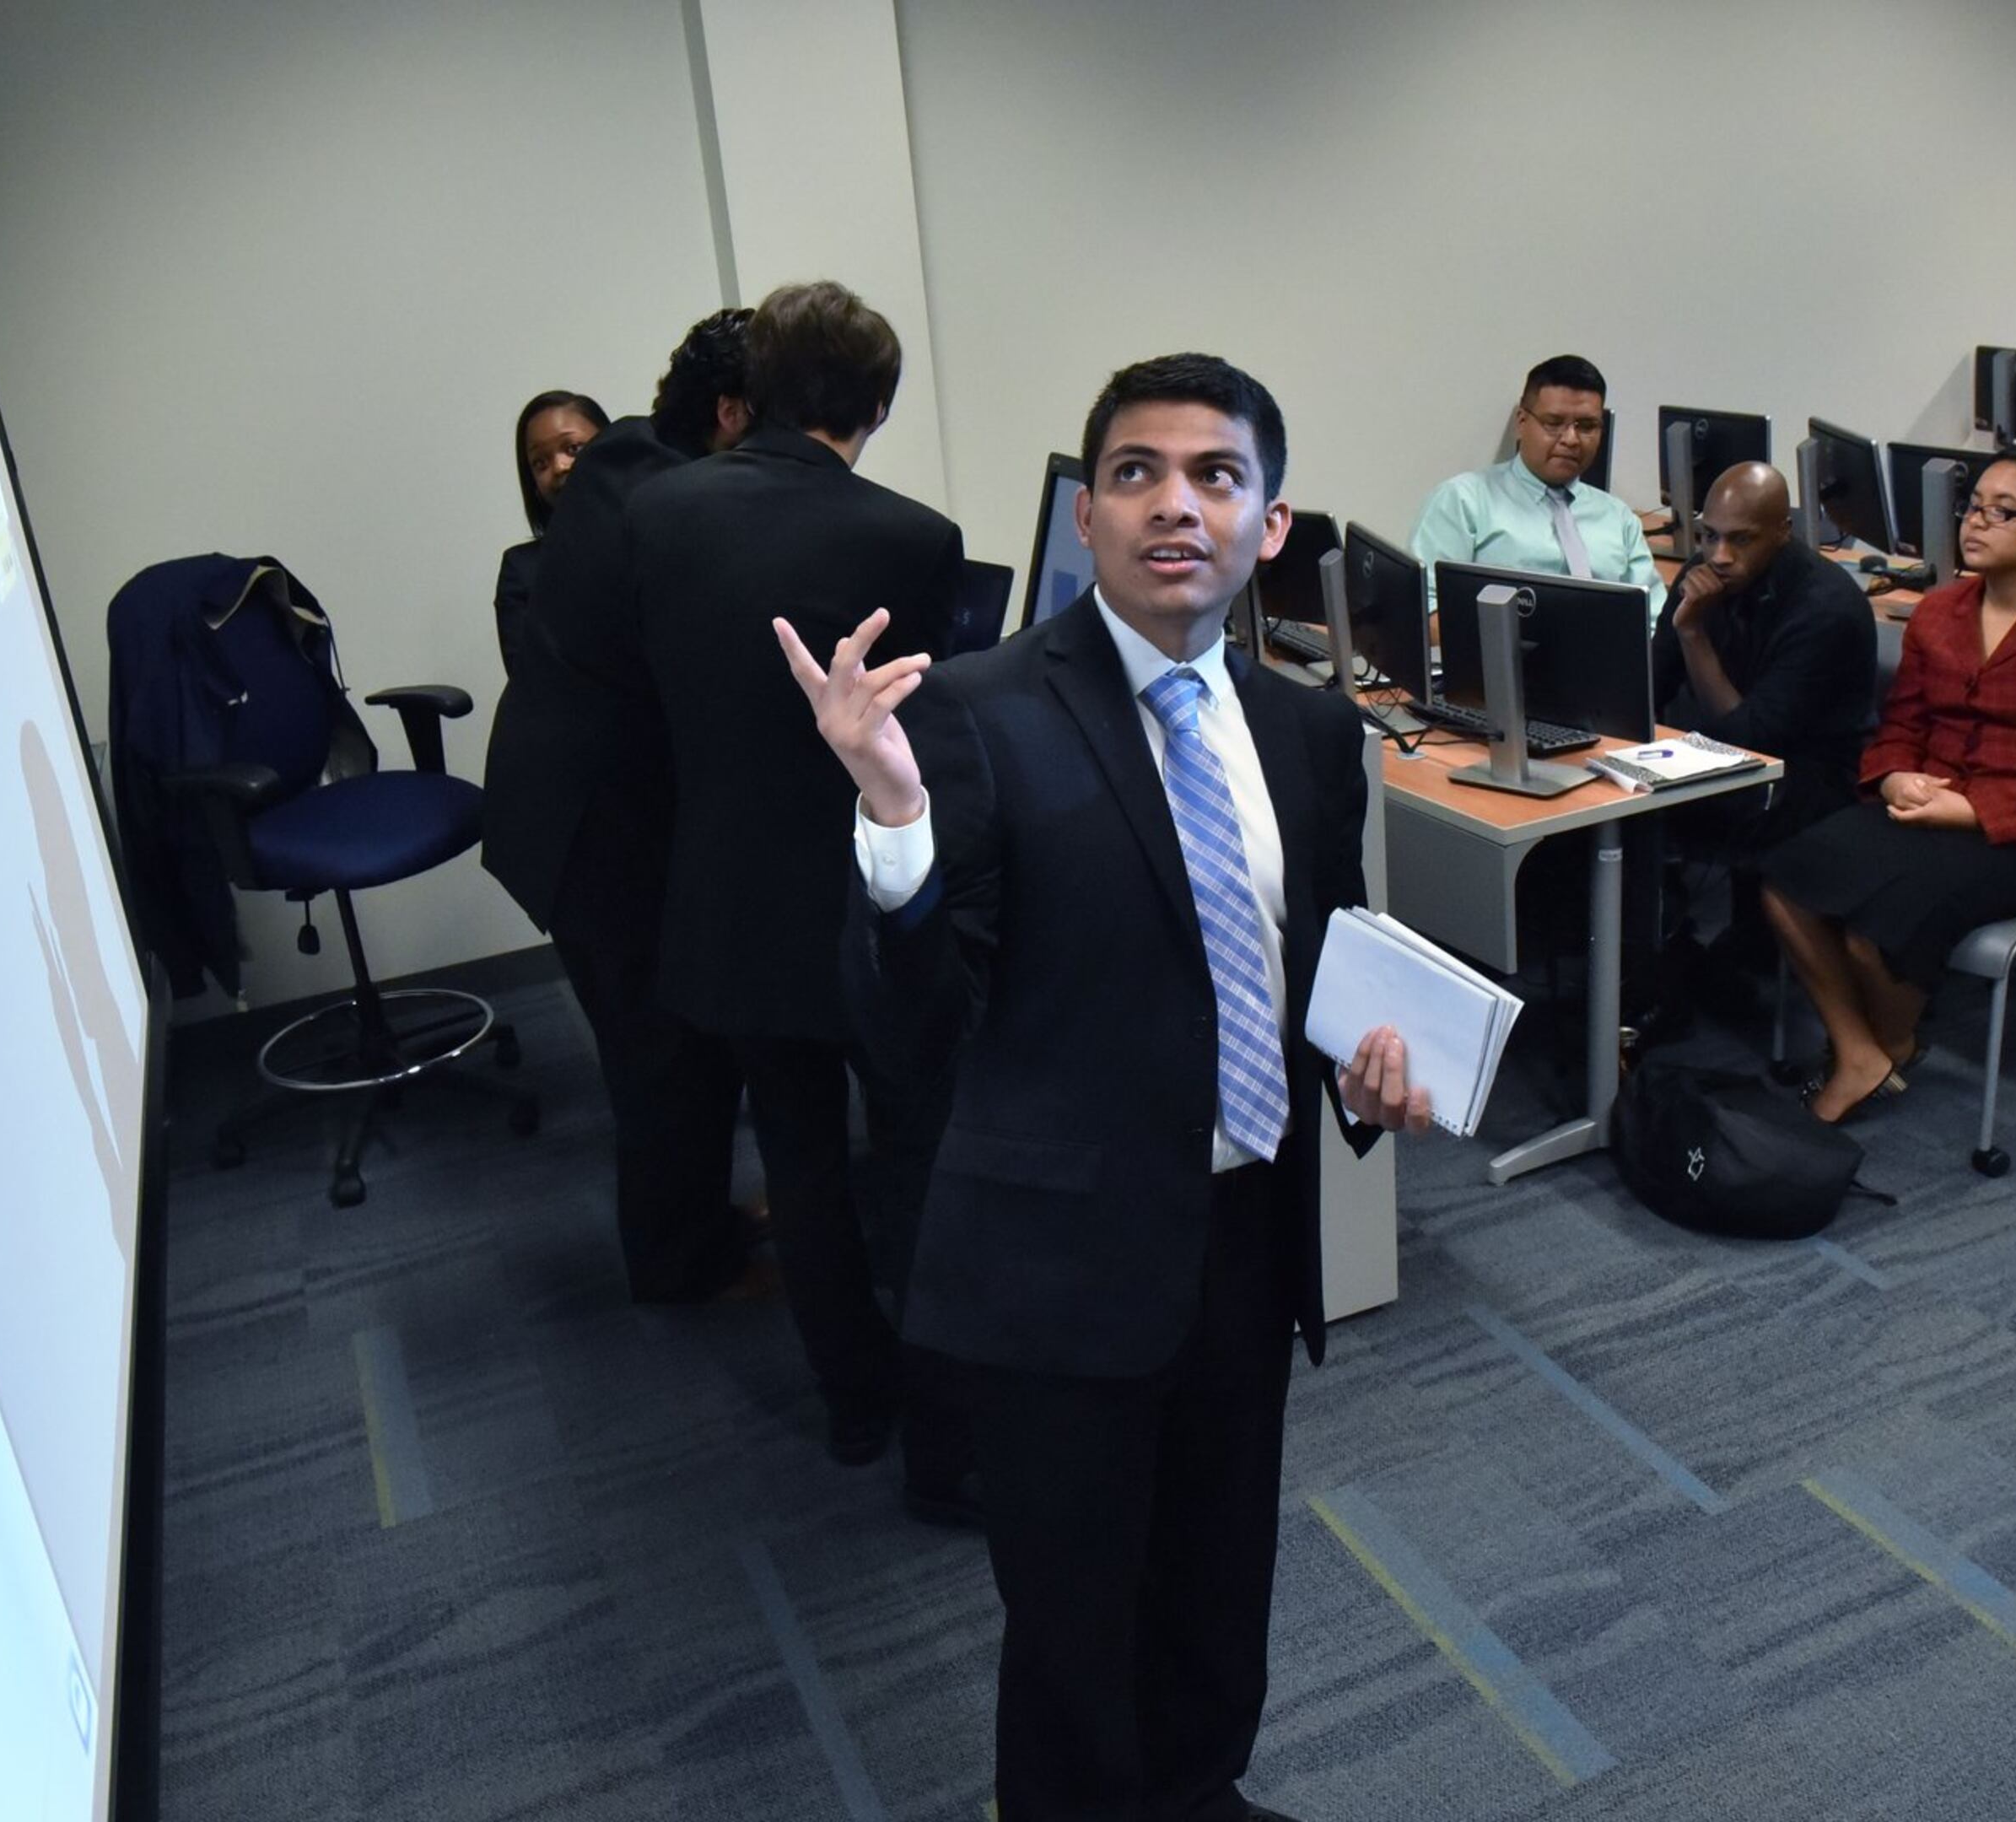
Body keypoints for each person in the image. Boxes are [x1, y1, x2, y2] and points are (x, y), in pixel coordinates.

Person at [785, 353, 1431, 1821]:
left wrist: (1368, 1075)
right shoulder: (973, 713)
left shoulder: (1310, 732)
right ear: (1087, 518)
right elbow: (910, 1026)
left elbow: (1306, 964)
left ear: (1273, 525)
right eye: (1136, 474)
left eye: (1219, 476)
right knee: (1075, 1625)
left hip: (1247, 1228)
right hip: (1062, 1257)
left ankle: (1200, 1789)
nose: (1176, 506)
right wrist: (894, 819)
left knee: (1219, 1573)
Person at [613, 280, 969, 1498]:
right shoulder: (913, 540)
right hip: (871, 900)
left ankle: (856, 1407)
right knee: (916, 1149)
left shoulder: (655, 515)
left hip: (730, 901)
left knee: (803, 1160)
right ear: (878, 401)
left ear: (752, 391)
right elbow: (935, 734)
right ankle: (948, 1404)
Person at [479, 308, 757, 1312]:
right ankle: (679, 1274)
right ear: (733, 415)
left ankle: (705, 1231)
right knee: (658, 1056)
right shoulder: (668, 500)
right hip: (586, 832)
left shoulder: (632, 457)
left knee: (671, 1042)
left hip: (570, 808)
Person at [1760, 442, 2016, 1124]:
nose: (1975, 523)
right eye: (1974, 507)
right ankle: (1863, 1052)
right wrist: (1891, 780)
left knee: (1873, 932)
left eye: (2003, 513)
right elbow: (1898, 728)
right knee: (1784, 877)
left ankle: (1889, 1042)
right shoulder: (1942, 611)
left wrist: (1971, 809)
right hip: (1928, 810)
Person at [1637, 461, 1879, 1027]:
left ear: (1781, 532)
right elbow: (1653, 681)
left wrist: (1693, 634)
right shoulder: (1704, 572)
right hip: (1725, 756)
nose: (1719, 555)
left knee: (1644, 824)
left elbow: (1754, 743)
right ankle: (1655, 958)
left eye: (1740, 540)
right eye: (1710, 535)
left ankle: (1668, 970)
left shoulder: (1826, 608)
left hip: (1810, 779)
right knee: (1609, 807)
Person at [1410, 353, 1661, 615]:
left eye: (1587, 426)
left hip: (1606, 653)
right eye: (1553, 423)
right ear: (1521, 423)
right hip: (1497, 651)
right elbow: (1425, 609)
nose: (1572, 439)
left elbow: (1654, 619)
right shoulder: (1464, 501)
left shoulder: (1619, 518)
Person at [493, 390, 606, 675]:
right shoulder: (523, 570)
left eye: (573, 449)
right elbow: (530, 680)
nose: (558, 467)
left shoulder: (654, 538)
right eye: (540, 463)